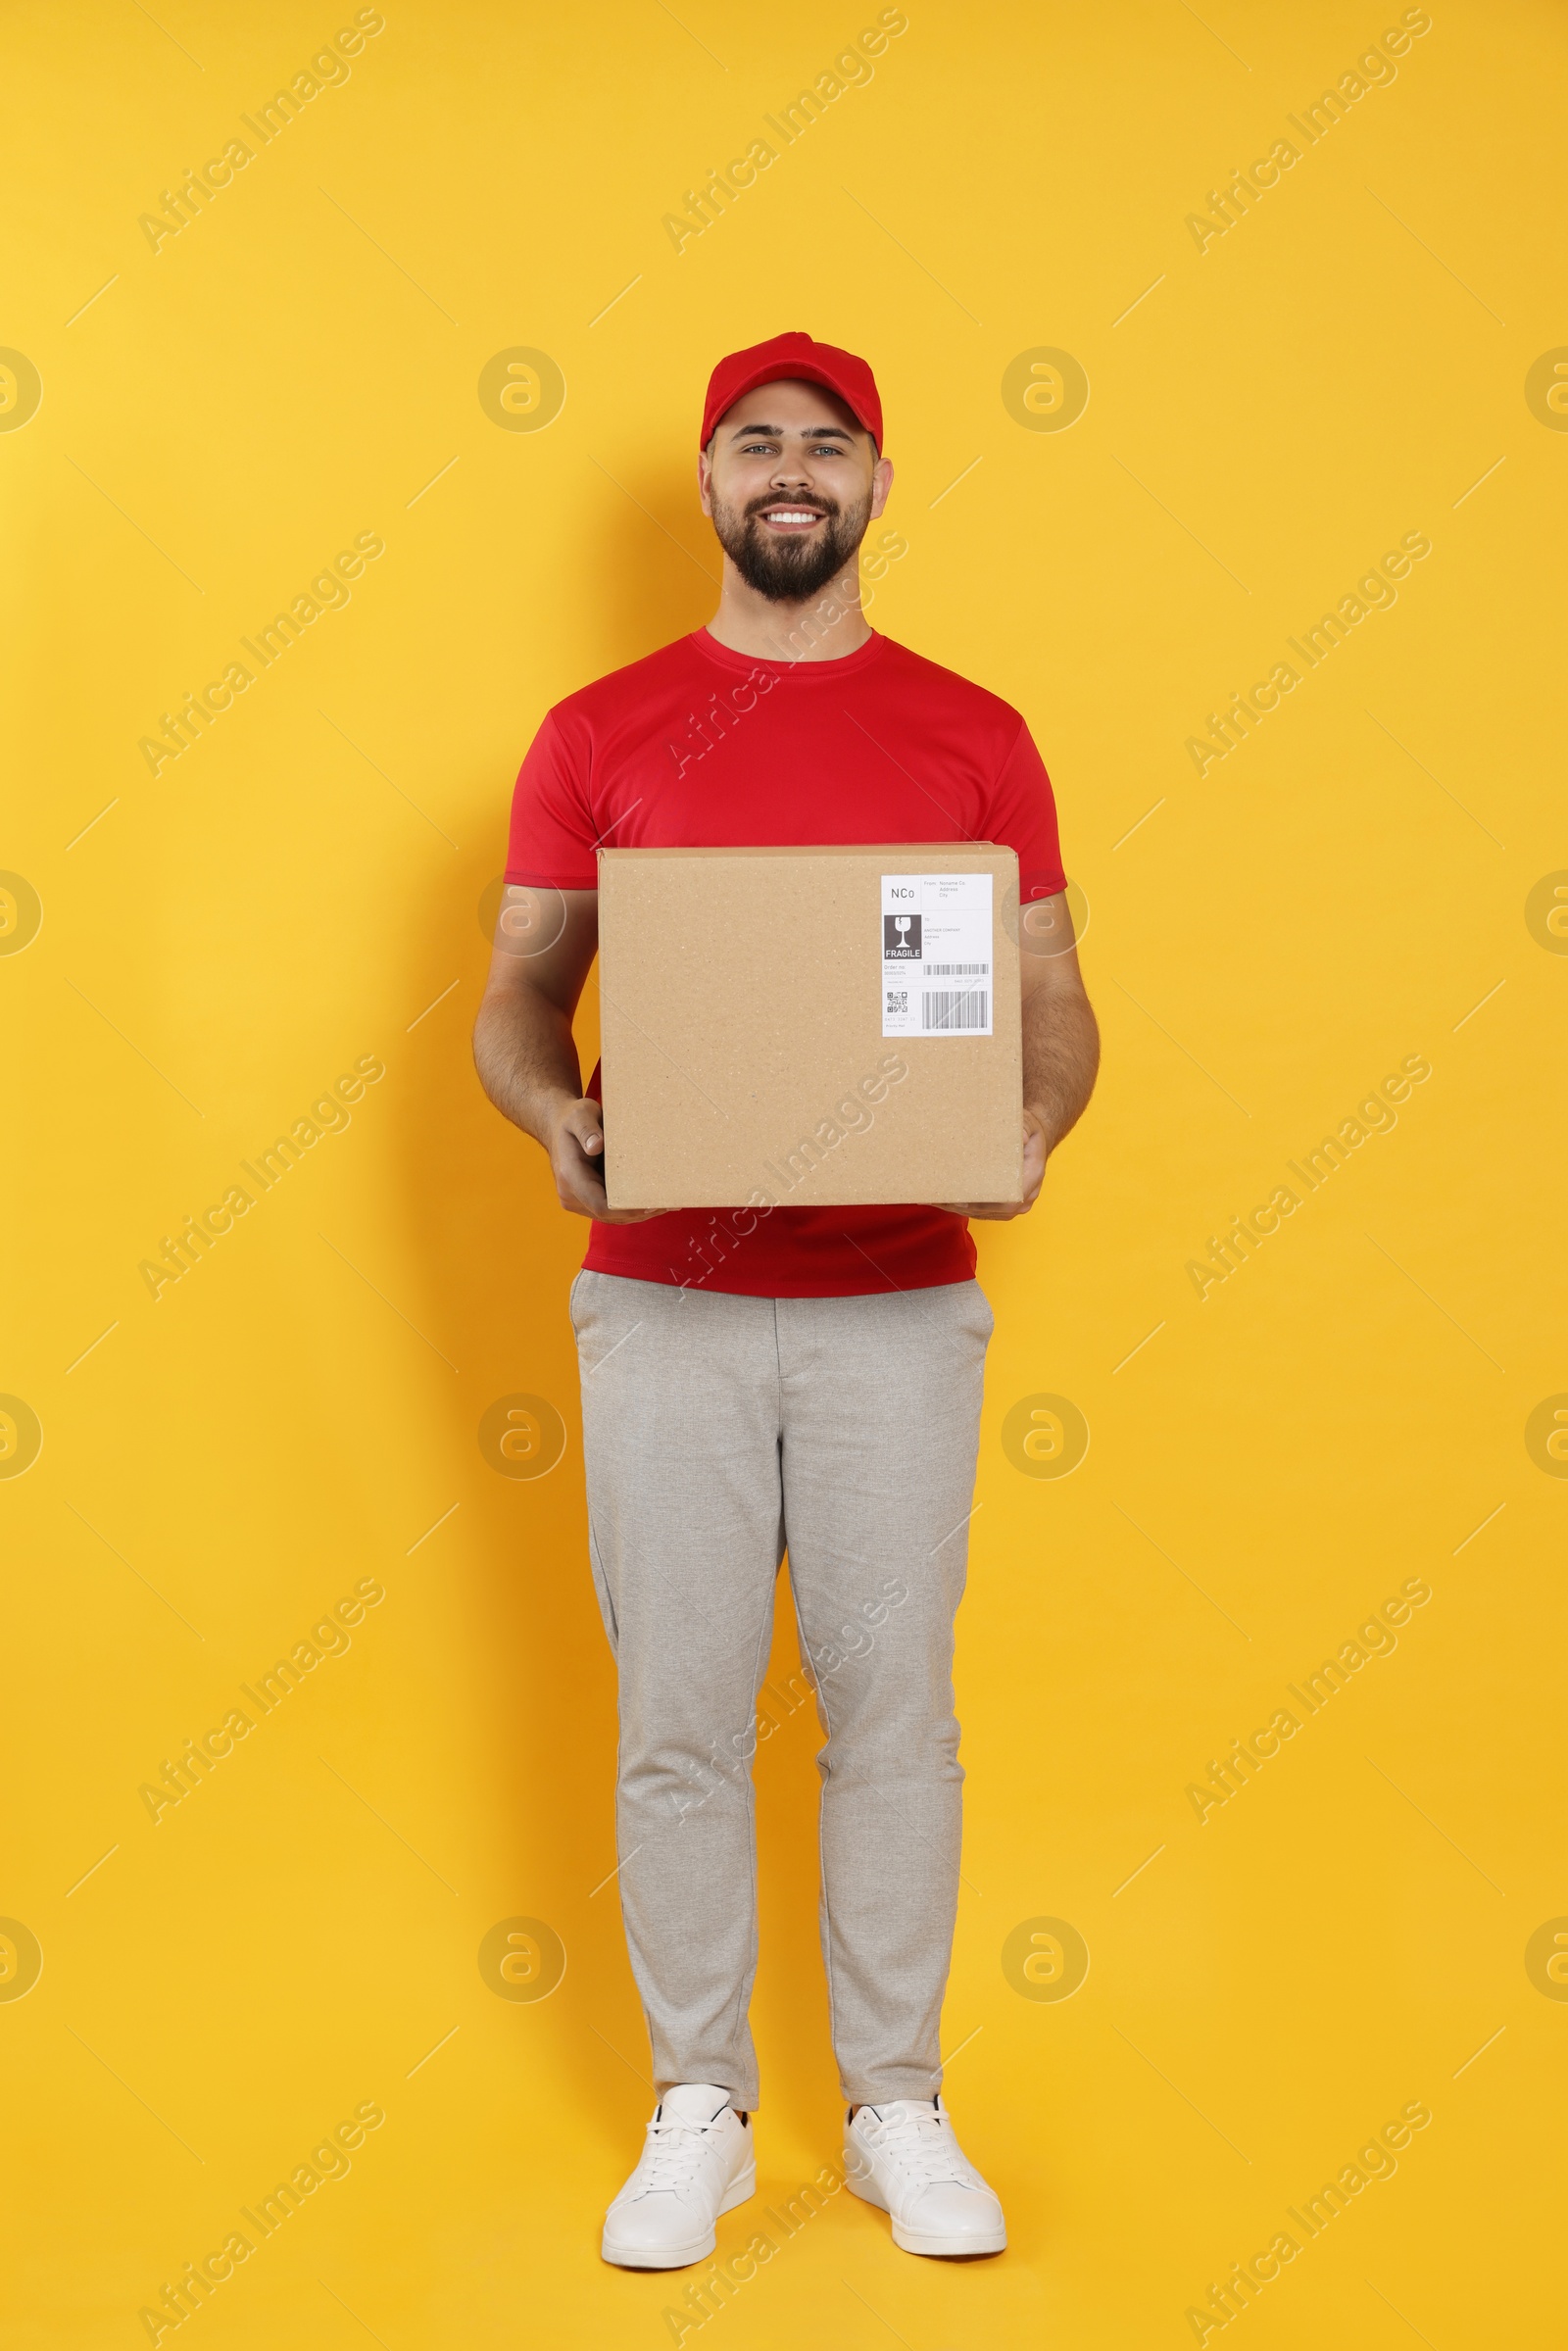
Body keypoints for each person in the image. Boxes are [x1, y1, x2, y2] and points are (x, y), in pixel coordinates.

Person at [473, 330, 1100, 2269]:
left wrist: (1026, 1126)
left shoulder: (968, 733)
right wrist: (545, 1116)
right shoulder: (599, 730)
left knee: (888, 1703)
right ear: (708, 485)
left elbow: (1053, 1003)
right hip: (657, 1288)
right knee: (673, 1709)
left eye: (827, 444)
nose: (790, 473)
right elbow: (516, 994)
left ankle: (897, 2101)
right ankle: (699, 2110)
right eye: (755, 444)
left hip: (896, 1298)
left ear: (878, 484)